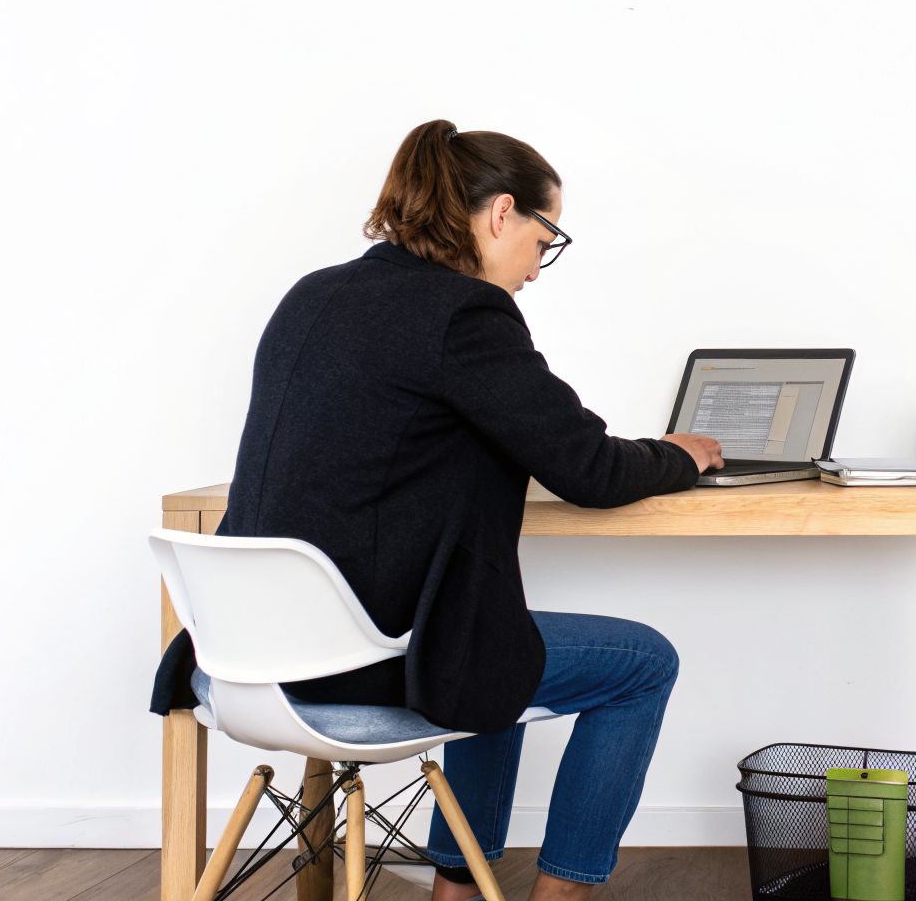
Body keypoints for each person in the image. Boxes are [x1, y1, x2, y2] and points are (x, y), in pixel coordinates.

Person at [149, 119, 723, 901]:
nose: (537, 266)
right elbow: (588, 467)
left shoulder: (314, 294)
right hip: (357, 668)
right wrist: (679, 456)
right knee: (639, 662)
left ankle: (461, 886)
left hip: (241, 666)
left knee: (492, 632)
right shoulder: (462, 314)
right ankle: (563, 895)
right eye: (545, 237)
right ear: (501, 213)